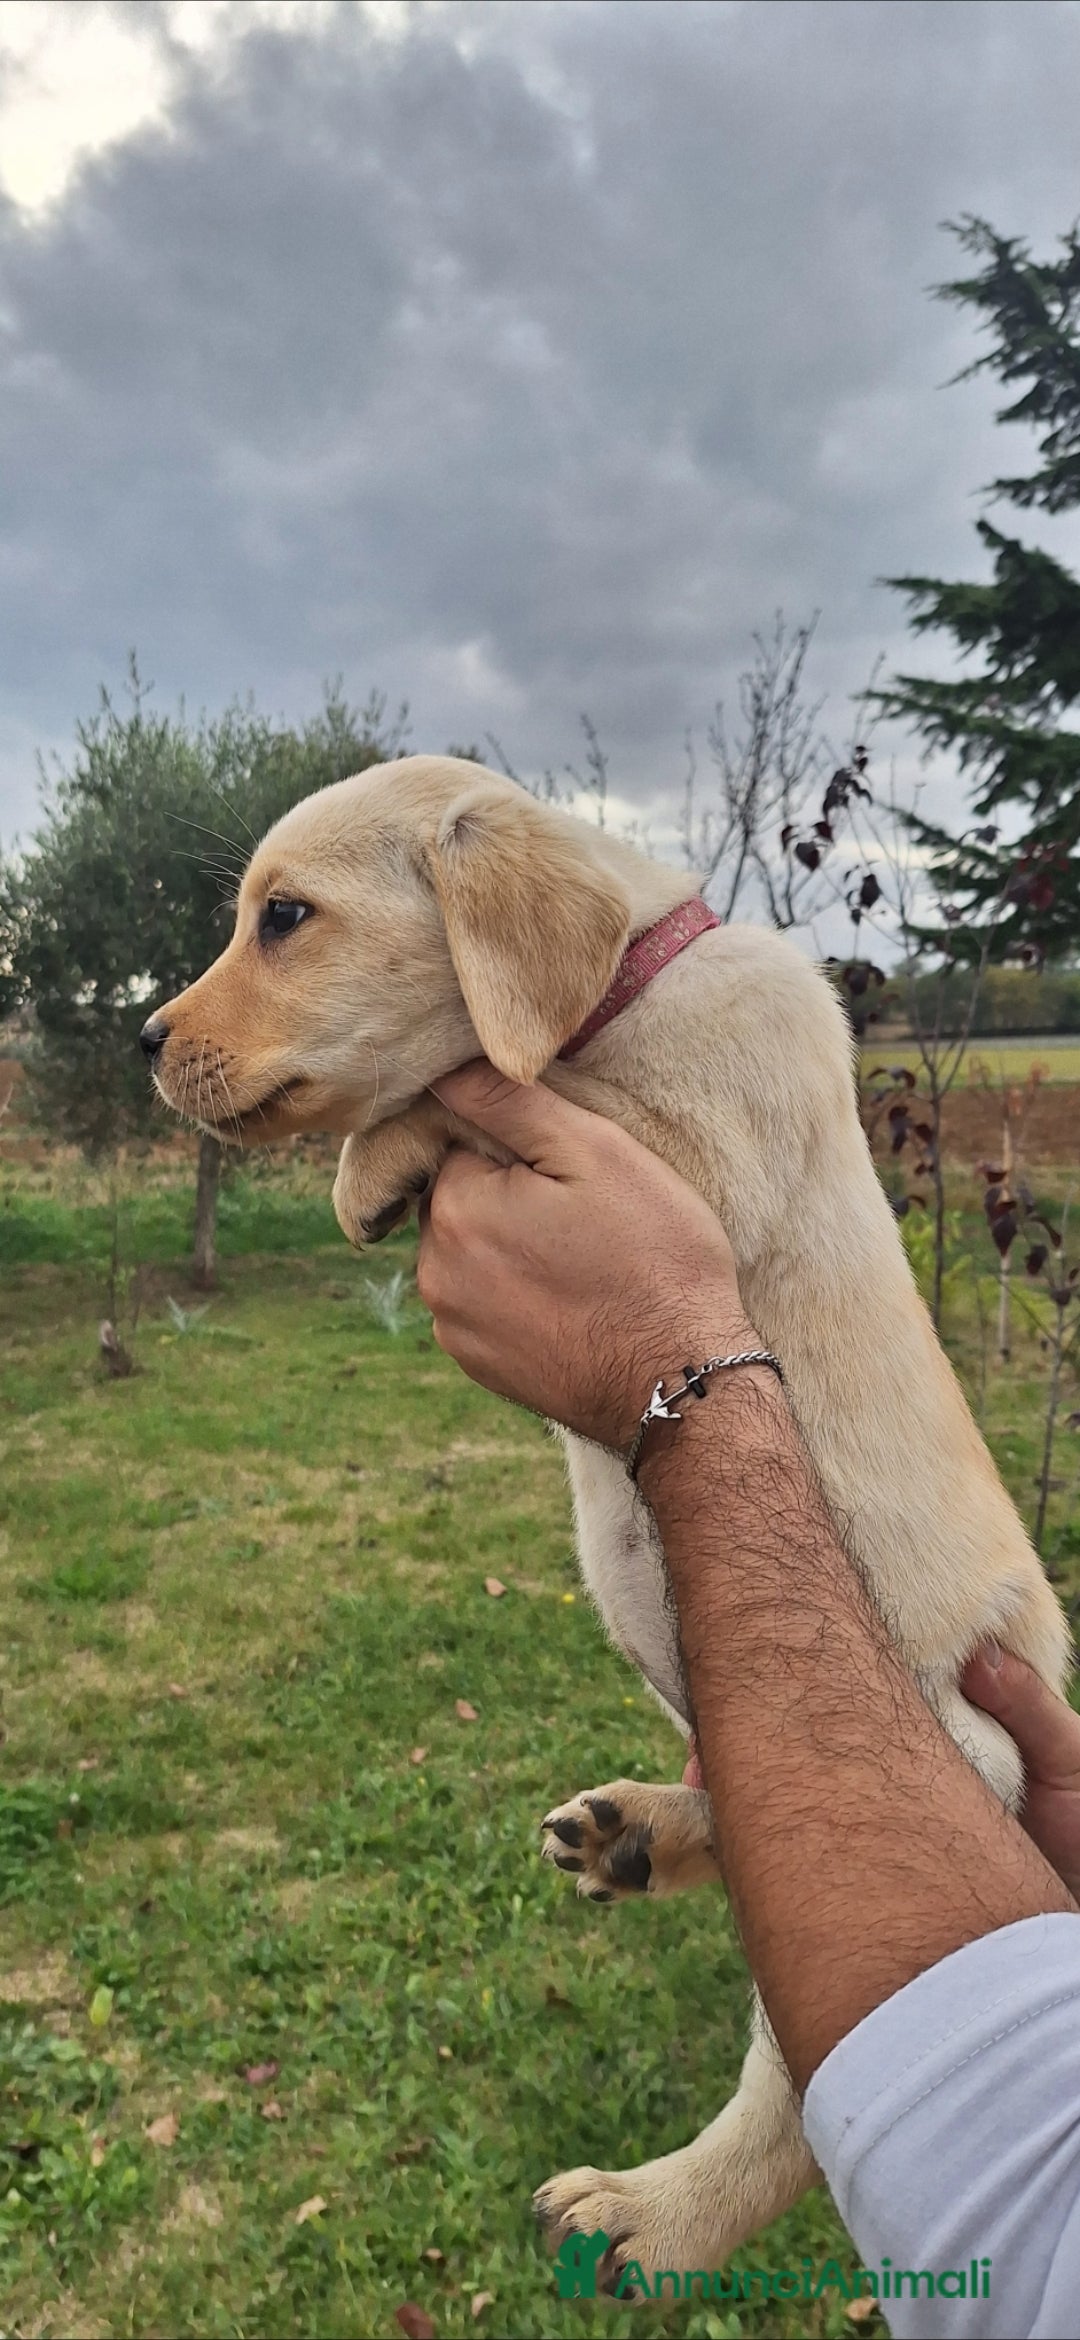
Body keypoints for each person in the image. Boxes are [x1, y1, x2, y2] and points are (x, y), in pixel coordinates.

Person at [416, 1059, 1080, 2340]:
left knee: (961, 1764)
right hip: (977, 1726)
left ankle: (736, 2169)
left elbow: (1017, 2208)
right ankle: (733, 1820)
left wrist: (679, 1394)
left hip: (963, 1705)